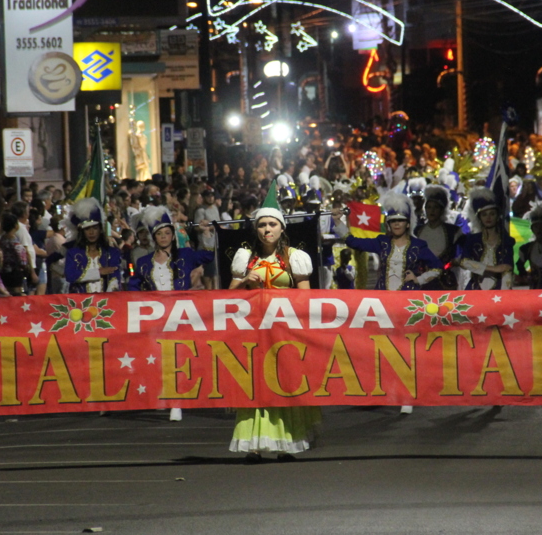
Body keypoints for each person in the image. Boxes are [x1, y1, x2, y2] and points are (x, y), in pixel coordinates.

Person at [229, 184, 320, 461]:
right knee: (255, 385)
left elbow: (306, 299)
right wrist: (245, 281)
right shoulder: (245, 258)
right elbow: (226, 299)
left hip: (284, 332)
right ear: (255, 229)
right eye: (262, 225)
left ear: (281, 228)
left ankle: (286, 443)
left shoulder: (295, 258)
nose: (267, 229)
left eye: (272, 224)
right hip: (254, 335)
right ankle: (253, 444)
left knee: (284, 384)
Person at [130, 205, 213, 421]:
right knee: (159, 359)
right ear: (154, 237)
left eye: (167, 233)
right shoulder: (143, 262)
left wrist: (206, 234)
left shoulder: (184, 255)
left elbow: (208, 257)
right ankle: (163, 394)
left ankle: (177, 402)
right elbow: (132, 285)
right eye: (160, 234)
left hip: (180, 315)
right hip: (156, 316)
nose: (164, 237)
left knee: (178, 357)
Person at [333, 192, 441, 291]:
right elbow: (353, 242)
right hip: (382, 298)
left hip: (408, 297)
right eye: (393, 221)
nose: (397, 224)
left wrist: (419, 279)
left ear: (408, 224)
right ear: (388, 224)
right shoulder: (382, 242)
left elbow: (438, 267)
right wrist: (337, 221)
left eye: (401, 220)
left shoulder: (418, 245)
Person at [457, 187, 516, 291]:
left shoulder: (506, 241)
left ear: (498, 216)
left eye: (492, 214)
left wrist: (505, 293)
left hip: (499, 290)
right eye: (484, 215)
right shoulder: (472, 239)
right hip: (475, 289)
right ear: (479, 218)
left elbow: (507, 267)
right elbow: (464, 262)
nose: (488, 218)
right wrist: (492, 269)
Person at [64, 198, 121, 293]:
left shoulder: (111, 252)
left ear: (100, 230)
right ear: (82, 232)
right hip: (80, 304)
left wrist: (109, 297)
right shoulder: (73, 253)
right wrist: (98, 272)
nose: (91, 232)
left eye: (95, 228)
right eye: (87, 229)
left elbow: (115, 276)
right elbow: (70, 276)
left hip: (106, 303)